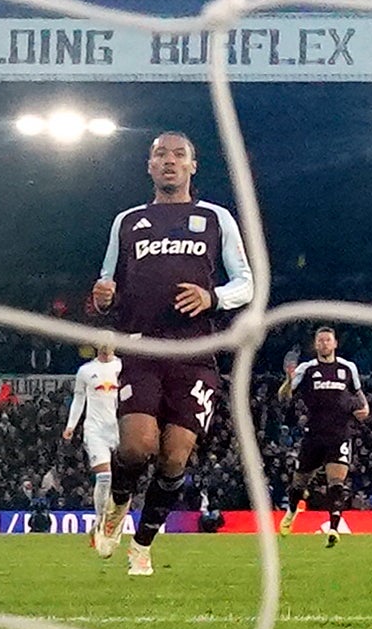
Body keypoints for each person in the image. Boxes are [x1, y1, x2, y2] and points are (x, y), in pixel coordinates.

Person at [89, 131, 252, 577]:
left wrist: (212, 297)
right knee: (138, 446)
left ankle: (142, 545)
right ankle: (118, 502)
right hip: (141, 347)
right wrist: (103, 296)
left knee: (174, 457)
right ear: (149, 165)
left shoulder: (216, 218)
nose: (169, 161)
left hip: (196, 354)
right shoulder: (127, 221)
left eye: (179, 155)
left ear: (192, 166)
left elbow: (247, 284)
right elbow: (108, 283)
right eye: (160, 154)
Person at [277, 325, 369, 548]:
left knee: (336, 483)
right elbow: (283, 398)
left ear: (335, 343)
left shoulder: (348, 368)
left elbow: (358, 394)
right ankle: (291, 512)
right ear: (315, 344)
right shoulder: (306, 369)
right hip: (314, 434)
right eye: (320, 341)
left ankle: (333, 529)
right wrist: (289, 380)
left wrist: (364, 408)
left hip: (339, 434)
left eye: (328, 340)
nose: (324, 344)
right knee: (299, 483)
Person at [63, 342, 121, 553]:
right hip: (95, 430)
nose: (106, 347)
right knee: (104, 476)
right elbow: (79, 399)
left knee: (123, 478)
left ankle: (114, 521)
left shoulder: (122, 367)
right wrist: (71, 426)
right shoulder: (86, 371)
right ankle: (100, 522)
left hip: (120, 428)